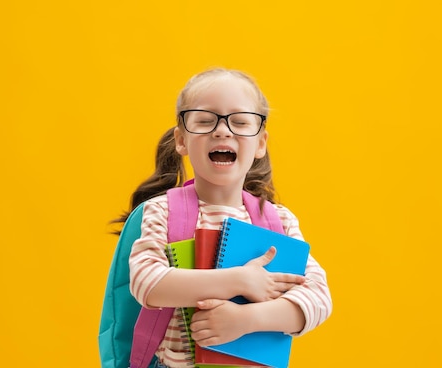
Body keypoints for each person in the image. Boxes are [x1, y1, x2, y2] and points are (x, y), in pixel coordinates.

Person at [117, 68, 332, 368]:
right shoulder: (161, 211)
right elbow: (147, 284)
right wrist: (238, 281)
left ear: (260, 143)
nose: (223, 130)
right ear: (181, 140)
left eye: (240, 122)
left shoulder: (279, 221)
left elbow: (320, 299)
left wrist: (246, 319)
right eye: (206, 120)